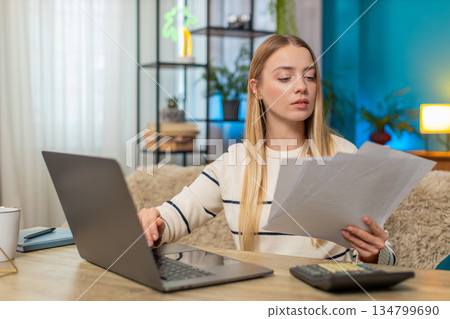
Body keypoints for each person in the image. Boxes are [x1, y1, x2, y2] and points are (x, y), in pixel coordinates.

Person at [138, 34, 396, 265]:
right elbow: (173, 218)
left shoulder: (344, 154)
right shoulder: (233, 163)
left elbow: (386, 255)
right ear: (256, 88)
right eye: (285, 77)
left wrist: (372, 253)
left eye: (310, 76)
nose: (301, 87)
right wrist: (152, 221)